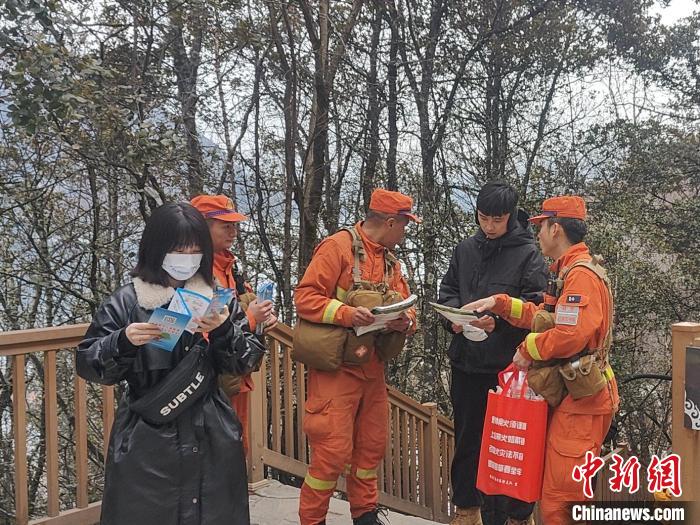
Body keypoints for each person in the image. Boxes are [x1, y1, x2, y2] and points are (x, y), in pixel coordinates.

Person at [76, 202, 266, 525]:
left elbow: (245, 360)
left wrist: (222, 330)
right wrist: (122, 341)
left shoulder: (217, 298)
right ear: (157, 249)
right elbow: (87, 363)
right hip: (147, 441)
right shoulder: (128, 301)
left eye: (195, 250)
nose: (187, 258)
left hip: (213, 434)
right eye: (179, 249)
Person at [464, 196, 618, 525]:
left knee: (561, 500)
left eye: (542, 227)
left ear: (556, 229)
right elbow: (543, 316)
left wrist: (527, 349)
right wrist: (500, 303)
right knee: (559, 496)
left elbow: (570, 334)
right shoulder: (567, 271)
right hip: (574, 397)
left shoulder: (580, 276)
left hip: (583, 402)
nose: (538, 234)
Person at [294, 189, 419, 525]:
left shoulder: (391, 262)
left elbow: (409, 307)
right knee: (331, 453)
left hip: (372, 369)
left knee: (370, 448)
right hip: (336, 371)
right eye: (404, 224)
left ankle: (365, 515)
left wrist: (405, 321)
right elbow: (305, 298)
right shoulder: (337, 247)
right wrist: (347, 314)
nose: (405, 231)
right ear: (390, 222)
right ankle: (313, 520)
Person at [438, 182, 547, 525]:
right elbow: (448, 290)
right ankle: (466, 511)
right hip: (467, 362)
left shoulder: (529, 254)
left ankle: (516, 516)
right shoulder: (465, 249)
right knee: (468, 441)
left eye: (496, 220)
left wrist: (496, 323)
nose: (488, 226)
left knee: (512, 445)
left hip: (510, 369)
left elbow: (538, 311)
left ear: (511, 217)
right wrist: (453, 318)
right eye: (483, 218)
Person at [191, 194, 277, 455]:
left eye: (235, 225)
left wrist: (263, 320)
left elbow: (237, 313)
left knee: (236, 449)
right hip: (207, 384)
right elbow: (200, 330)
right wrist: (251, 319)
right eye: (225, 226)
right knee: (216, 453)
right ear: (201, 227)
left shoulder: (229, 266)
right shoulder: (194, 271)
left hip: (235, 377)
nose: (233, 232)